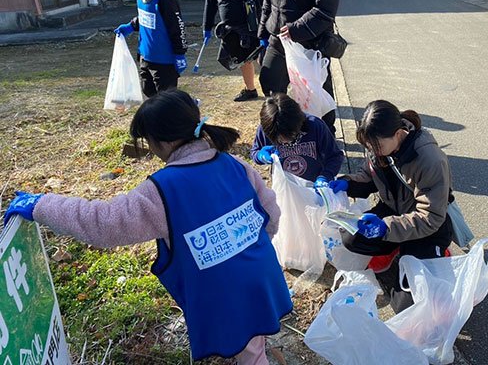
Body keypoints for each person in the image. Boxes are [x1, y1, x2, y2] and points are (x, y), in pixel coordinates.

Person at [3, 90, 292, 364]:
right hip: (260, 272)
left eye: (148, 141)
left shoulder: (162, 190)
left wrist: (40, 204)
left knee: (249, 346)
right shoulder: (232, 163)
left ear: (163, 142)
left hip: (222, 290)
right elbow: (271, 213)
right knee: (253, 334)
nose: (150, 149)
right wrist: (244, 249)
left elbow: (102, 223)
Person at [329, 100, 453, 313]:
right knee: (350, 236)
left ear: (398, 133)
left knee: (406, 305)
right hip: (394, 211)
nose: (373, 152)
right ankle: (396, 250)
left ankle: (438, 254)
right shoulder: (377, 145)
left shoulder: (428, 158)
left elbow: (431, 216)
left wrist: (386, 228)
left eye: (377, 147)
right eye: (369, 147)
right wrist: (348, 183)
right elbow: (368, 175)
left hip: (427, 226)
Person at [256, 0, 340, 133]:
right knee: (270, 84)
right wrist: (262, 35)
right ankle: (284, 133)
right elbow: (267, 4)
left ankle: (324, 136)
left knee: (317, 94)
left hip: (310, 45)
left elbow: (326, 9)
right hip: (277, 42)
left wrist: (296, 29)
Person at [114, 0, 187, 98]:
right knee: (149, 94)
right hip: (145, 56)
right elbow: (146, 17)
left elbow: (177, 27)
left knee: (166, 101)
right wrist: (131, 26)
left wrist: (180, 54)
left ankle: (187, 107)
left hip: (164, 60)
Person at [203, 0, 264, 102]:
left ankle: (273, 89)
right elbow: (210, 3)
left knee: (261, 58)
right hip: (230, 28)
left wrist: (267, 26)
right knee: (242, 59)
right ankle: (250, 90)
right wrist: (206, 27)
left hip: (252, 25)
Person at [251, 93, 344, 187]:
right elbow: (255, 152)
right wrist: (260, 156)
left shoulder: (315, 126)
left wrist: (325, 176)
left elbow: (335, 156)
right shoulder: (267, 129)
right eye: (279, 139)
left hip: (314, 186)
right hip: (285, 188)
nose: (285, 142)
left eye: (290, 136)